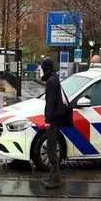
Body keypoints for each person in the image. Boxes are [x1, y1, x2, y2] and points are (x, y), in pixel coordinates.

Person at [41, 57, 66, 189]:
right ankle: (52, 176)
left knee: (51, 148)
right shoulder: (54, 79)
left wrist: (47, 120)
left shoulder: (51, 81)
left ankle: (55, 178)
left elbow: (51, 102)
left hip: (53, 119)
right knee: (51, 146)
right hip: (56, 118)